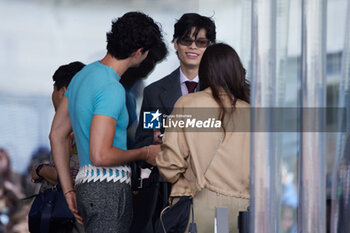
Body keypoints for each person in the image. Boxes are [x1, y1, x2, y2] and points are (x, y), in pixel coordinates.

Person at [49, 12, 164, 233]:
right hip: (108, 190)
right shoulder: (112, 88)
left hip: (85, 187)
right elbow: (100, 155)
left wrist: (68, 191)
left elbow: (56, 134)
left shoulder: (83, 76)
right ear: (139, 52)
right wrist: (145, 152)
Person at [132, 13, 216, 233]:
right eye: (186, 40)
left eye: (201, 42)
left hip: (212, 191)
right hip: (167, 195)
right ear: (176, 43)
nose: (193, 47)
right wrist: (155, 141)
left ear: (210, 46)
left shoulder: (220, 93)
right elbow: (146, 138)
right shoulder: (154, 93)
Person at [156, 43, 251, 233]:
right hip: (244, 212)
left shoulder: (188, 104)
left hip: (201, 207)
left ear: (205, 71)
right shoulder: (252, 112)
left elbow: (170, 166)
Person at [31, 61, 85, 233]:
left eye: (53, 90)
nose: (52, 96)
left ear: (64, 92)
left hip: (73, 220)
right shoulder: (70, 126)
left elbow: (72, 177)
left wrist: (41, 170)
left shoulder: (79, 129)